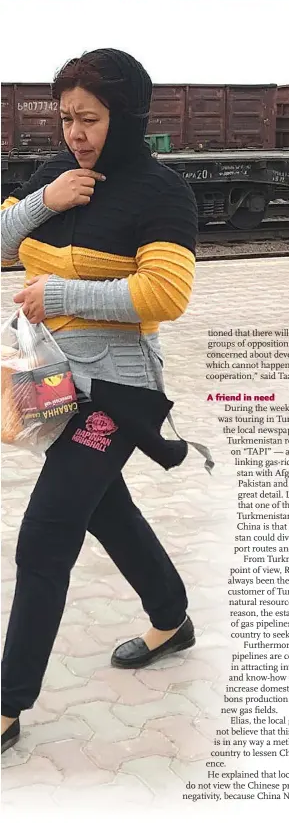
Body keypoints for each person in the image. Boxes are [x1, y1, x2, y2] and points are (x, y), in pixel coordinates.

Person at [0, 49, 202, 754]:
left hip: (116, 390)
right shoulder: (52, 177)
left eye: (88, 119)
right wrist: (39, 204)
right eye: (65, 119)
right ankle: (172, 618)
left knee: (48, 530)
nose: (75, 133)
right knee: (103, 508)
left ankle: (7, 705)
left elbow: (165, 295)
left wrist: (59, 293)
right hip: (47, 377)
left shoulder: (160, 192)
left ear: (126, 117)